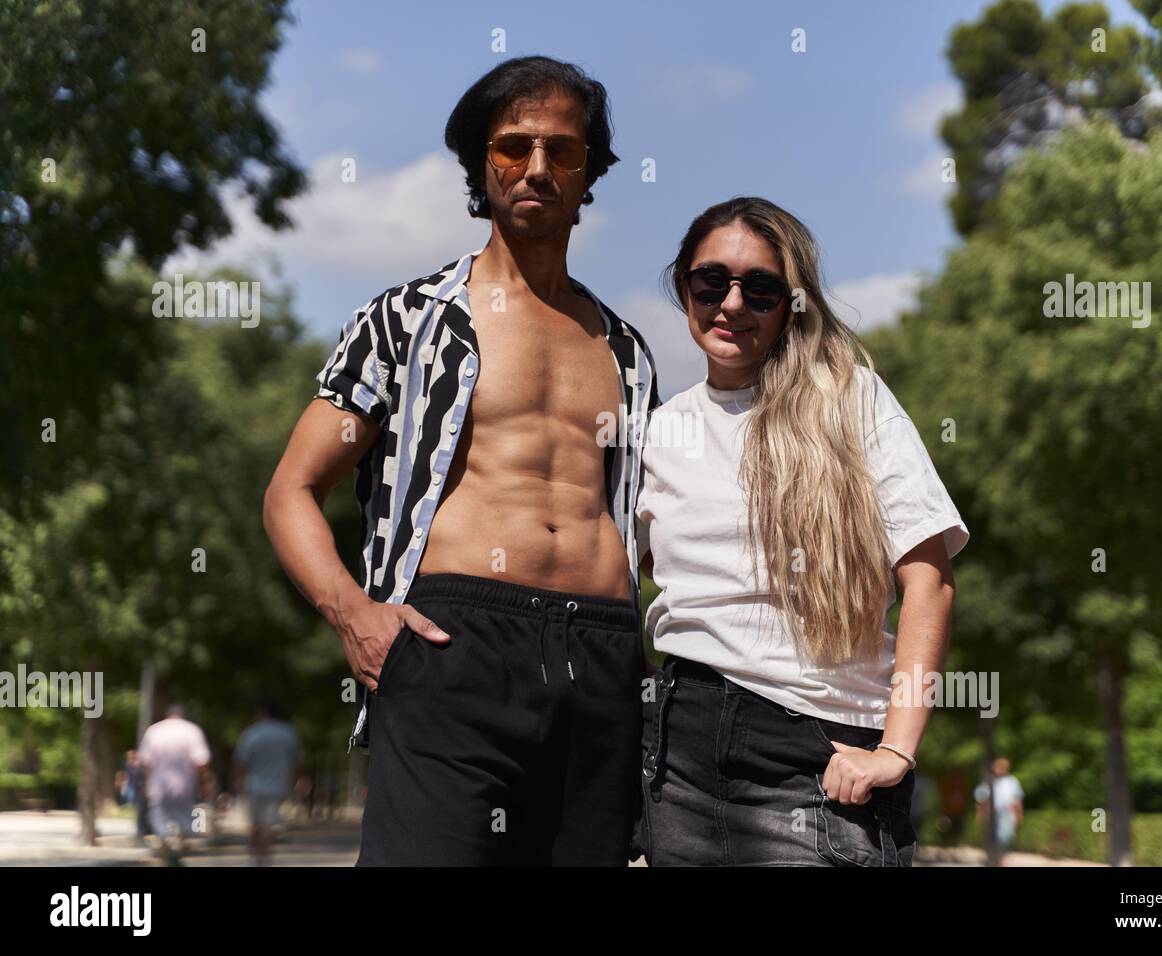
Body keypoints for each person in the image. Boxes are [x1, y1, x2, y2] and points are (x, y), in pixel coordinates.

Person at [263, 55, 658, 866]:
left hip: (604, 658)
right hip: (454, 644)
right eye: (514, 147)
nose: (538, 169)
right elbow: (292, 490)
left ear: (591, 172)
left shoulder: (629, 351)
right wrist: (355, 615)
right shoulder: (405, 321)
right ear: (483, 164)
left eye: (564, 151)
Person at [635, 196, 968, 866]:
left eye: (759, 289)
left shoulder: (854, 401)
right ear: (684, 288)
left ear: (791, 304)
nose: (731, 305)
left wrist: (897, 750)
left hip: (819, 756)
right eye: (712, 283)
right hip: (682, 752)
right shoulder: (659, 429)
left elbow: (927, 577)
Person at [138, 704, 213, 866]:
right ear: (183, 716)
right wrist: (205, 782)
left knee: (159, 819)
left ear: (167, 715)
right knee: (185, 819)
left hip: (158, 785)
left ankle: (165, 847)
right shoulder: (193, 731)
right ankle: (181, 848)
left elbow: (147, 763)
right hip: (184, 785)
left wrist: (146, 784)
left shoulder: (154, 731)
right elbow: (202, 761)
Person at [233, 697, 302, 866]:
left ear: (263, 713)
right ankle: (265, 856)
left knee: (257, 823)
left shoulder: (251, 732)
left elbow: (241, 762)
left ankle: (258, 856)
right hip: (279, 785)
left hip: (254, 785)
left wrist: (238, 782)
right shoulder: (288, 733)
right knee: (270, 824)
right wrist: (296, 782)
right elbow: (296, 761)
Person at [974, 756, 1024, 863]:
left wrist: (1019, 813)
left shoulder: (1012, 781)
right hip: (991, 813)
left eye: (1002, 767)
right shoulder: (988, 781)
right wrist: (979, 813)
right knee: (992, 837)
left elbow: (1017, 799)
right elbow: (980, 799)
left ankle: (1002, 855)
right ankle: (995, 857)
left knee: (1006, 835)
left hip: (1007, 812)